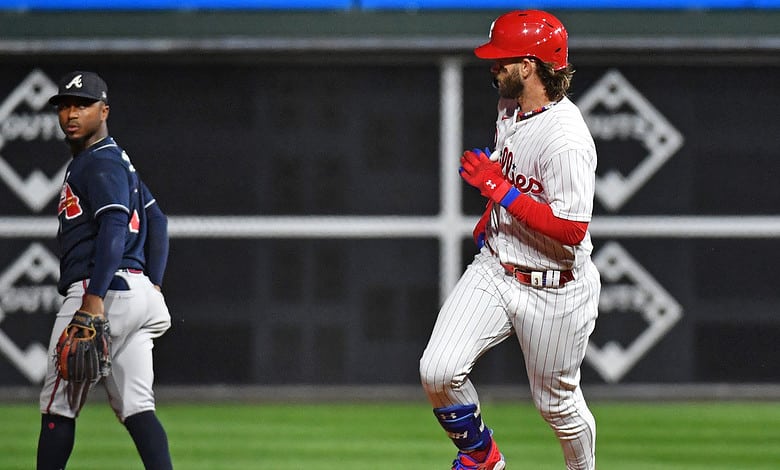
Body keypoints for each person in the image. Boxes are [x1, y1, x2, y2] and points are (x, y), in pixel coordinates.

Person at [420, 10, 601, 470]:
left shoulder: (567, 140)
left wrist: (500, 190)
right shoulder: (511, 108)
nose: (493, 66)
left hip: (554, 288)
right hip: (497, 268)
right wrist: (494, 205)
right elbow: (514, 176)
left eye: (502, 59)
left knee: (557, 408)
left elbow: (571, 228)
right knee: (438, 370)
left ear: (530, 65)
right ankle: (483, 458)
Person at [37, 71, 174, 470]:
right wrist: (155, 286)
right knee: (137, 406)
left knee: (58, 406)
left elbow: (114, 224)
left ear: (104, 110)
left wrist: (93, 301)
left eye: (82, 104)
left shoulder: (96, 163)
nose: (70, 114)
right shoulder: (120, 163)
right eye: (64, 105)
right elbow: (158, 222)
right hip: (137, 295)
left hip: (99, 292)